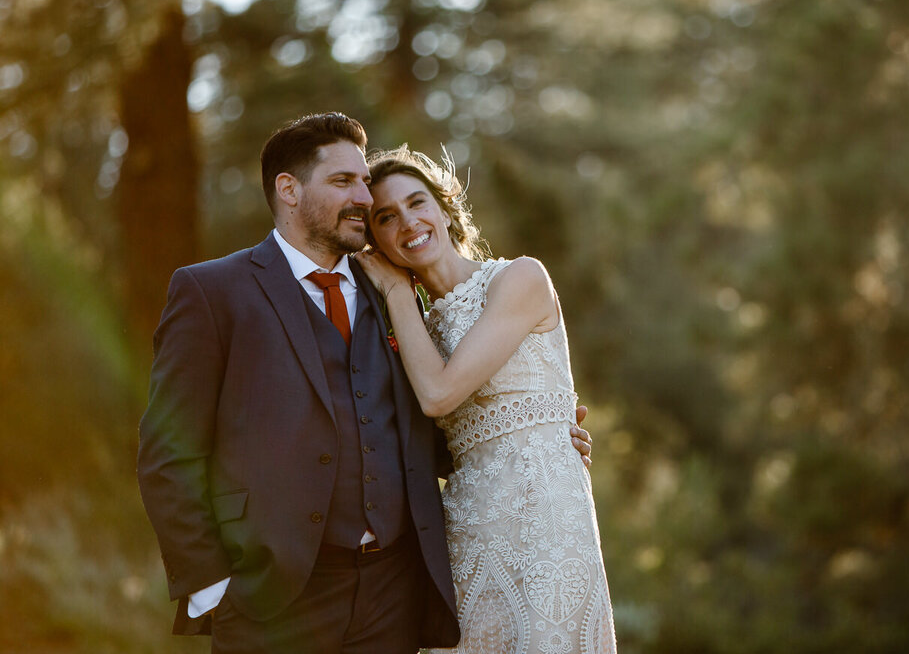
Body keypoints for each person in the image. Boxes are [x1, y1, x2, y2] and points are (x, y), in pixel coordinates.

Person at [136, 112, 592, 654]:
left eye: (362, 182)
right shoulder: (213, 292)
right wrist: (212, 589)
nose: (362, 195)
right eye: (343, 181)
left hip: (393, 597)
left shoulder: (395, 296)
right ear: (288, 189)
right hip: (271, 600)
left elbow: (414, 431)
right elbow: (169, 455)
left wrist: (531, 439)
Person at [355, 145, 618, 654]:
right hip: (466, 530)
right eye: (386, 217)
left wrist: (395, 293)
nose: (409, 223)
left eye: (418, 202)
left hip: (547, 519)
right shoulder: (409, 331)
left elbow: (437, 393)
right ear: (375, 242)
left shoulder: (519, 278)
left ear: (445, 206)